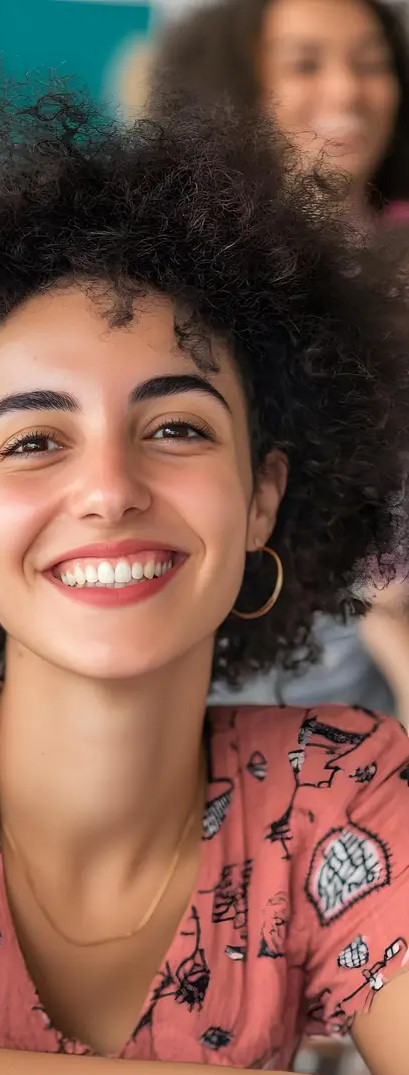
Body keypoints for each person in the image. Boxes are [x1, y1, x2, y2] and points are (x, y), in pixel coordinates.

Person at [0, 84, 409, 1075]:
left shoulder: (336, 788)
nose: (108, 490)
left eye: (175, 427)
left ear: (264, 496)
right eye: (36, 440)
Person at [151, 0, 409, 720]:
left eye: (370, 63)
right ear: (231, 87)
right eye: (304, 64)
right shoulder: (177, 272)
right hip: (206, 669)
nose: (347, 91)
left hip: (373, 688)